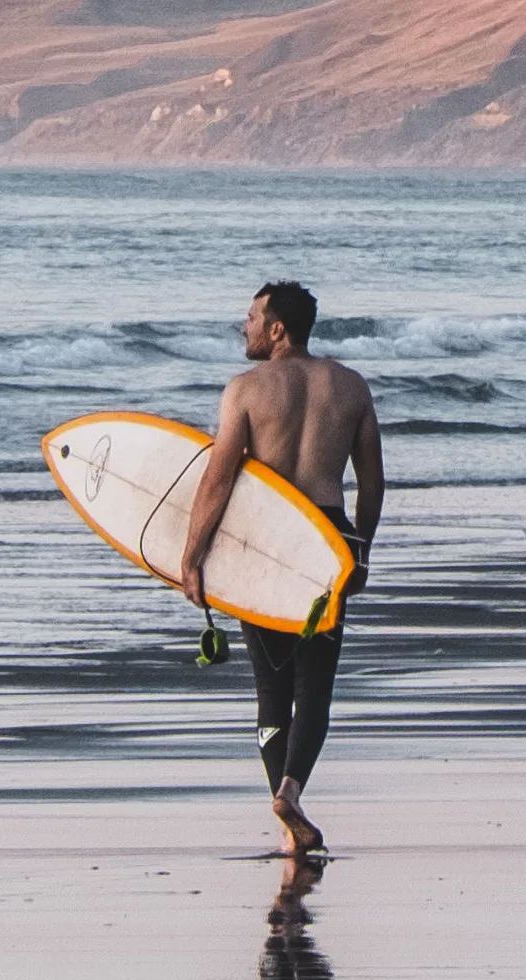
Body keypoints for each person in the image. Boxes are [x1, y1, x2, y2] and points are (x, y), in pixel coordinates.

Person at [181, 281, 383, 856]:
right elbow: (371, 483)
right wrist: (359, 550)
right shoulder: (350, 387)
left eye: (250, 318)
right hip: (326, 538)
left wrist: (192, 557)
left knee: (272, 686)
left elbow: (218, 479)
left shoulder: (245, 390)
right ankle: (291, 792)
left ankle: (284, 809)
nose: (242, 327)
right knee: (314, 686)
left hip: (266, 541)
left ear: (276, 329)